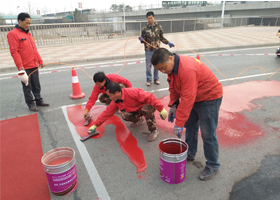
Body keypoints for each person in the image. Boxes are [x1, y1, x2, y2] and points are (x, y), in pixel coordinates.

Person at [151, 48, 223, 181]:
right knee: (190, 127)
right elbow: (173, 87)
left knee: (208, 133)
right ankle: (189, 153)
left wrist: (179, 123)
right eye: (160, 70)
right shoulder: (172, 69)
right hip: (195, 97)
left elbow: (188, 97)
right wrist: (173, 104)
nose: (163, 71)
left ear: (171, 58)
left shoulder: (187, 69)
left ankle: (213, 165)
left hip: (209, 97)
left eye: (163, 68)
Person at [87, 82, 168, 142]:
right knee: (125, 115)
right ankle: (138, 120)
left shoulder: (133, 93)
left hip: (147, 106)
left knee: (145, 109)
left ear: (117, 93)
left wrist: (161, 109)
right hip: (136, 109)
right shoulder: (115, 101)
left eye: (111, 95)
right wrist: (95, 125)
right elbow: (106, 113)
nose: (110, 98)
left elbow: (150, 97)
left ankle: (154, 130)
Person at [7, 13, 49, 111]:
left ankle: (38, 100)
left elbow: (34, 49)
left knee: (36, 84)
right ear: (20, 21)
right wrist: (20, 66)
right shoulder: (12, 34)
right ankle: (30, 104)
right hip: (24, 66)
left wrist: (40, 60)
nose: (28, 25)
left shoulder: (28, 34)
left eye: (29, 23)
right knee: (27, 86)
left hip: (34, 64)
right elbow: (14, 51)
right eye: (26, 23)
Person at [138, 11, 174, 86]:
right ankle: (149, 79)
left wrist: (168, 43)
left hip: (157, 49)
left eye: (151, 18)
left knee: (157, 64)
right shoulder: (144, 29)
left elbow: (161, 37)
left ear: (154, 17)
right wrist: (141, 39)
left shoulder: (159, 27)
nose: (150, 20)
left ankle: (156, 79)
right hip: (148, 50)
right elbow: (143, 39)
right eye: (148, 19)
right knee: (148, 65)